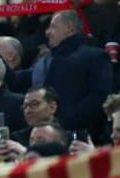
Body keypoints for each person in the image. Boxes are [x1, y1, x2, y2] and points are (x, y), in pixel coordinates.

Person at [32, 10, 112, 144]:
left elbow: (100, 96)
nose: (48, 32)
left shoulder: (96, 56)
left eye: (53, 26)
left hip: (87, 138)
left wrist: (68, 119)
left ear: (69, 27)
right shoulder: (54, 60)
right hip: (57, 135)